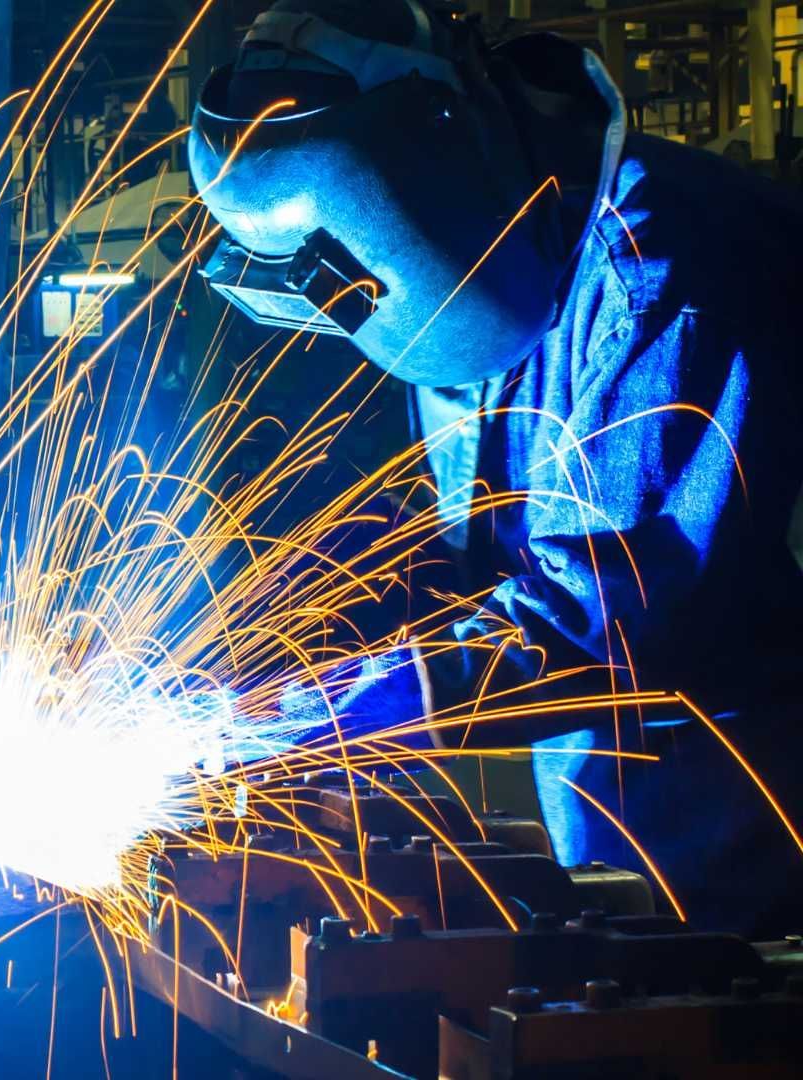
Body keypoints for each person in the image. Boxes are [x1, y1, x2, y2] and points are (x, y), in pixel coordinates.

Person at [190, 0, 803, 936]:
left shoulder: (675, 274)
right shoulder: (482, 264)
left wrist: (337, 710)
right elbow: (471, 543)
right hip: (605, 843)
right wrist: (268, 639)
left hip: (754, 842)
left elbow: (615, 611)